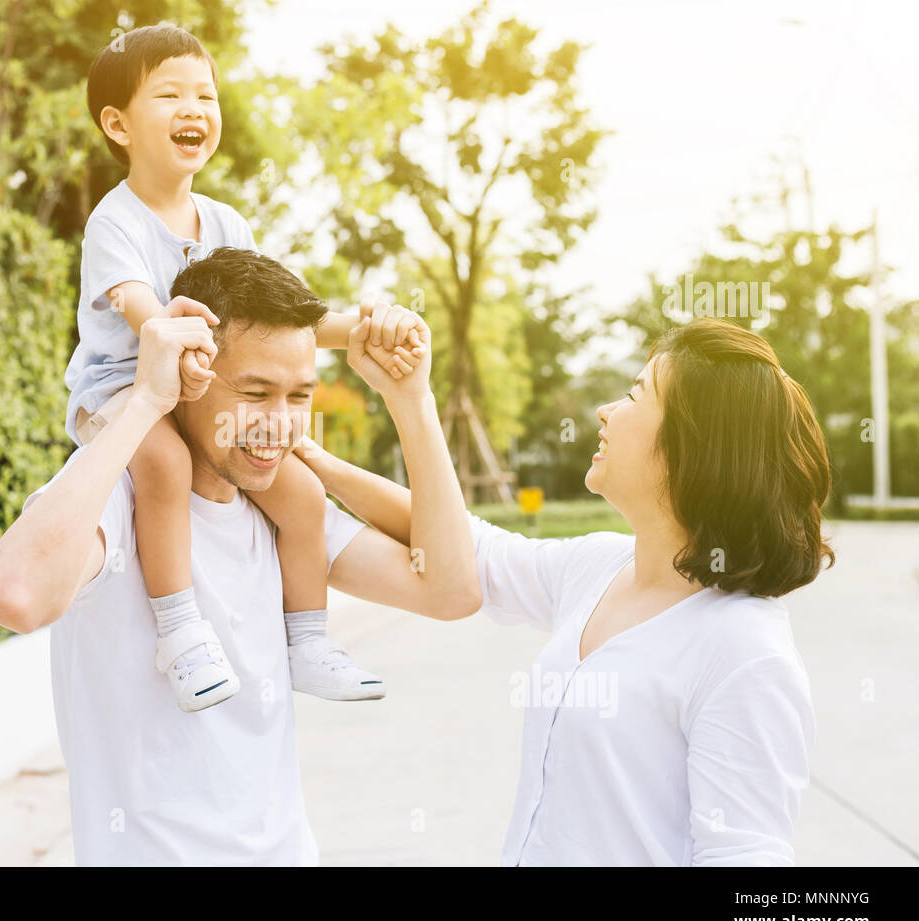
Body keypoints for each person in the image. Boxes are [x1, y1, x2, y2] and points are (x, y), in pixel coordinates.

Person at [0, 247, 480, 865]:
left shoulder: (276, 513)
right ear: (188, 376)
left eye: (299, 396)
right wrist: (142, 403)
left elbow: (451, 588)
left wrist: (411, 402)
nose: (278, 421)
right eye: (255, 392)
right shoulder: (118, 501)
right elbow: (15, 595)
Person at [298, 318, 833, 865]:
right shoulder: (600, 565)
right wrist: (336, 444)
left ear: (692, 447)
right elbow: (461, 546)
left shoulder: (744, 652)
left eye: (633, 396)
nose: (606, 412)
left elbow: (745, 857)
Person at [64, 23, 423, 710]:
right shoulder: (116, 221)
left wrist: (357, 330)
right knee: (165, 466)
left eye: (206, 94)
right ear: (117, 123)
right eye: (169, 95)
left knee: (302, 494)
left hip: (199, 397)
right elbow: (142, 308)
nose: (194, 108)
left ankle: (308, 639)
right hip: (121, 389)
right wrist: (174, 339)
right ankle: (181, 634)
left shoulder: (227, 223)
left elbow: (274, 317)